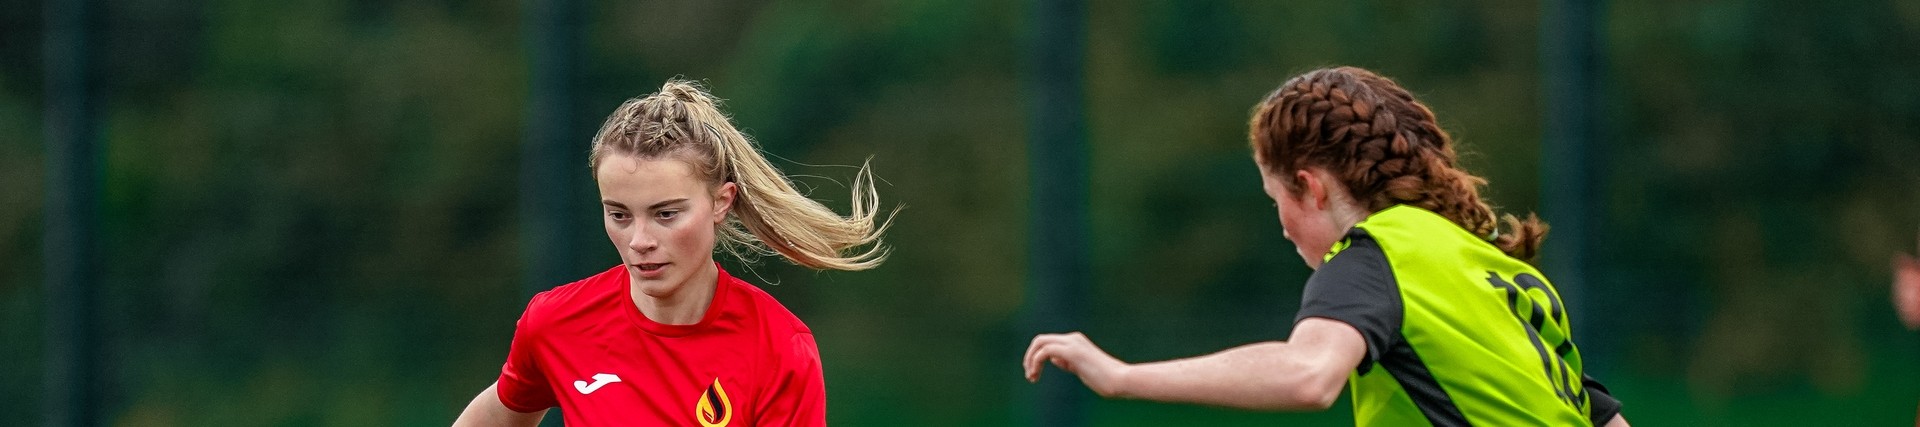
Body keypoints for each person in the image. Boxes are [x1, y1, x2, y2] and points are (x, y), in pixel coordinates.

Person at [1022, 66, 1628, 426]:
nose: (1282, 226)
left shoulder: (1373, 258)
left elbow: (1309, 375)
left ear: (1310, 187)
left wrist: (1122, 376)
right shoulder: (1497, 270)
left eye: (1274, 199)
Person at [453, 80, 891, 426]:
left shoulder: (780, 349)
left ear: (721, 201)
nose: (640, 240)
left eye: (665, 214)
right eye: (619, 215)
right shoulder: (553, 324)